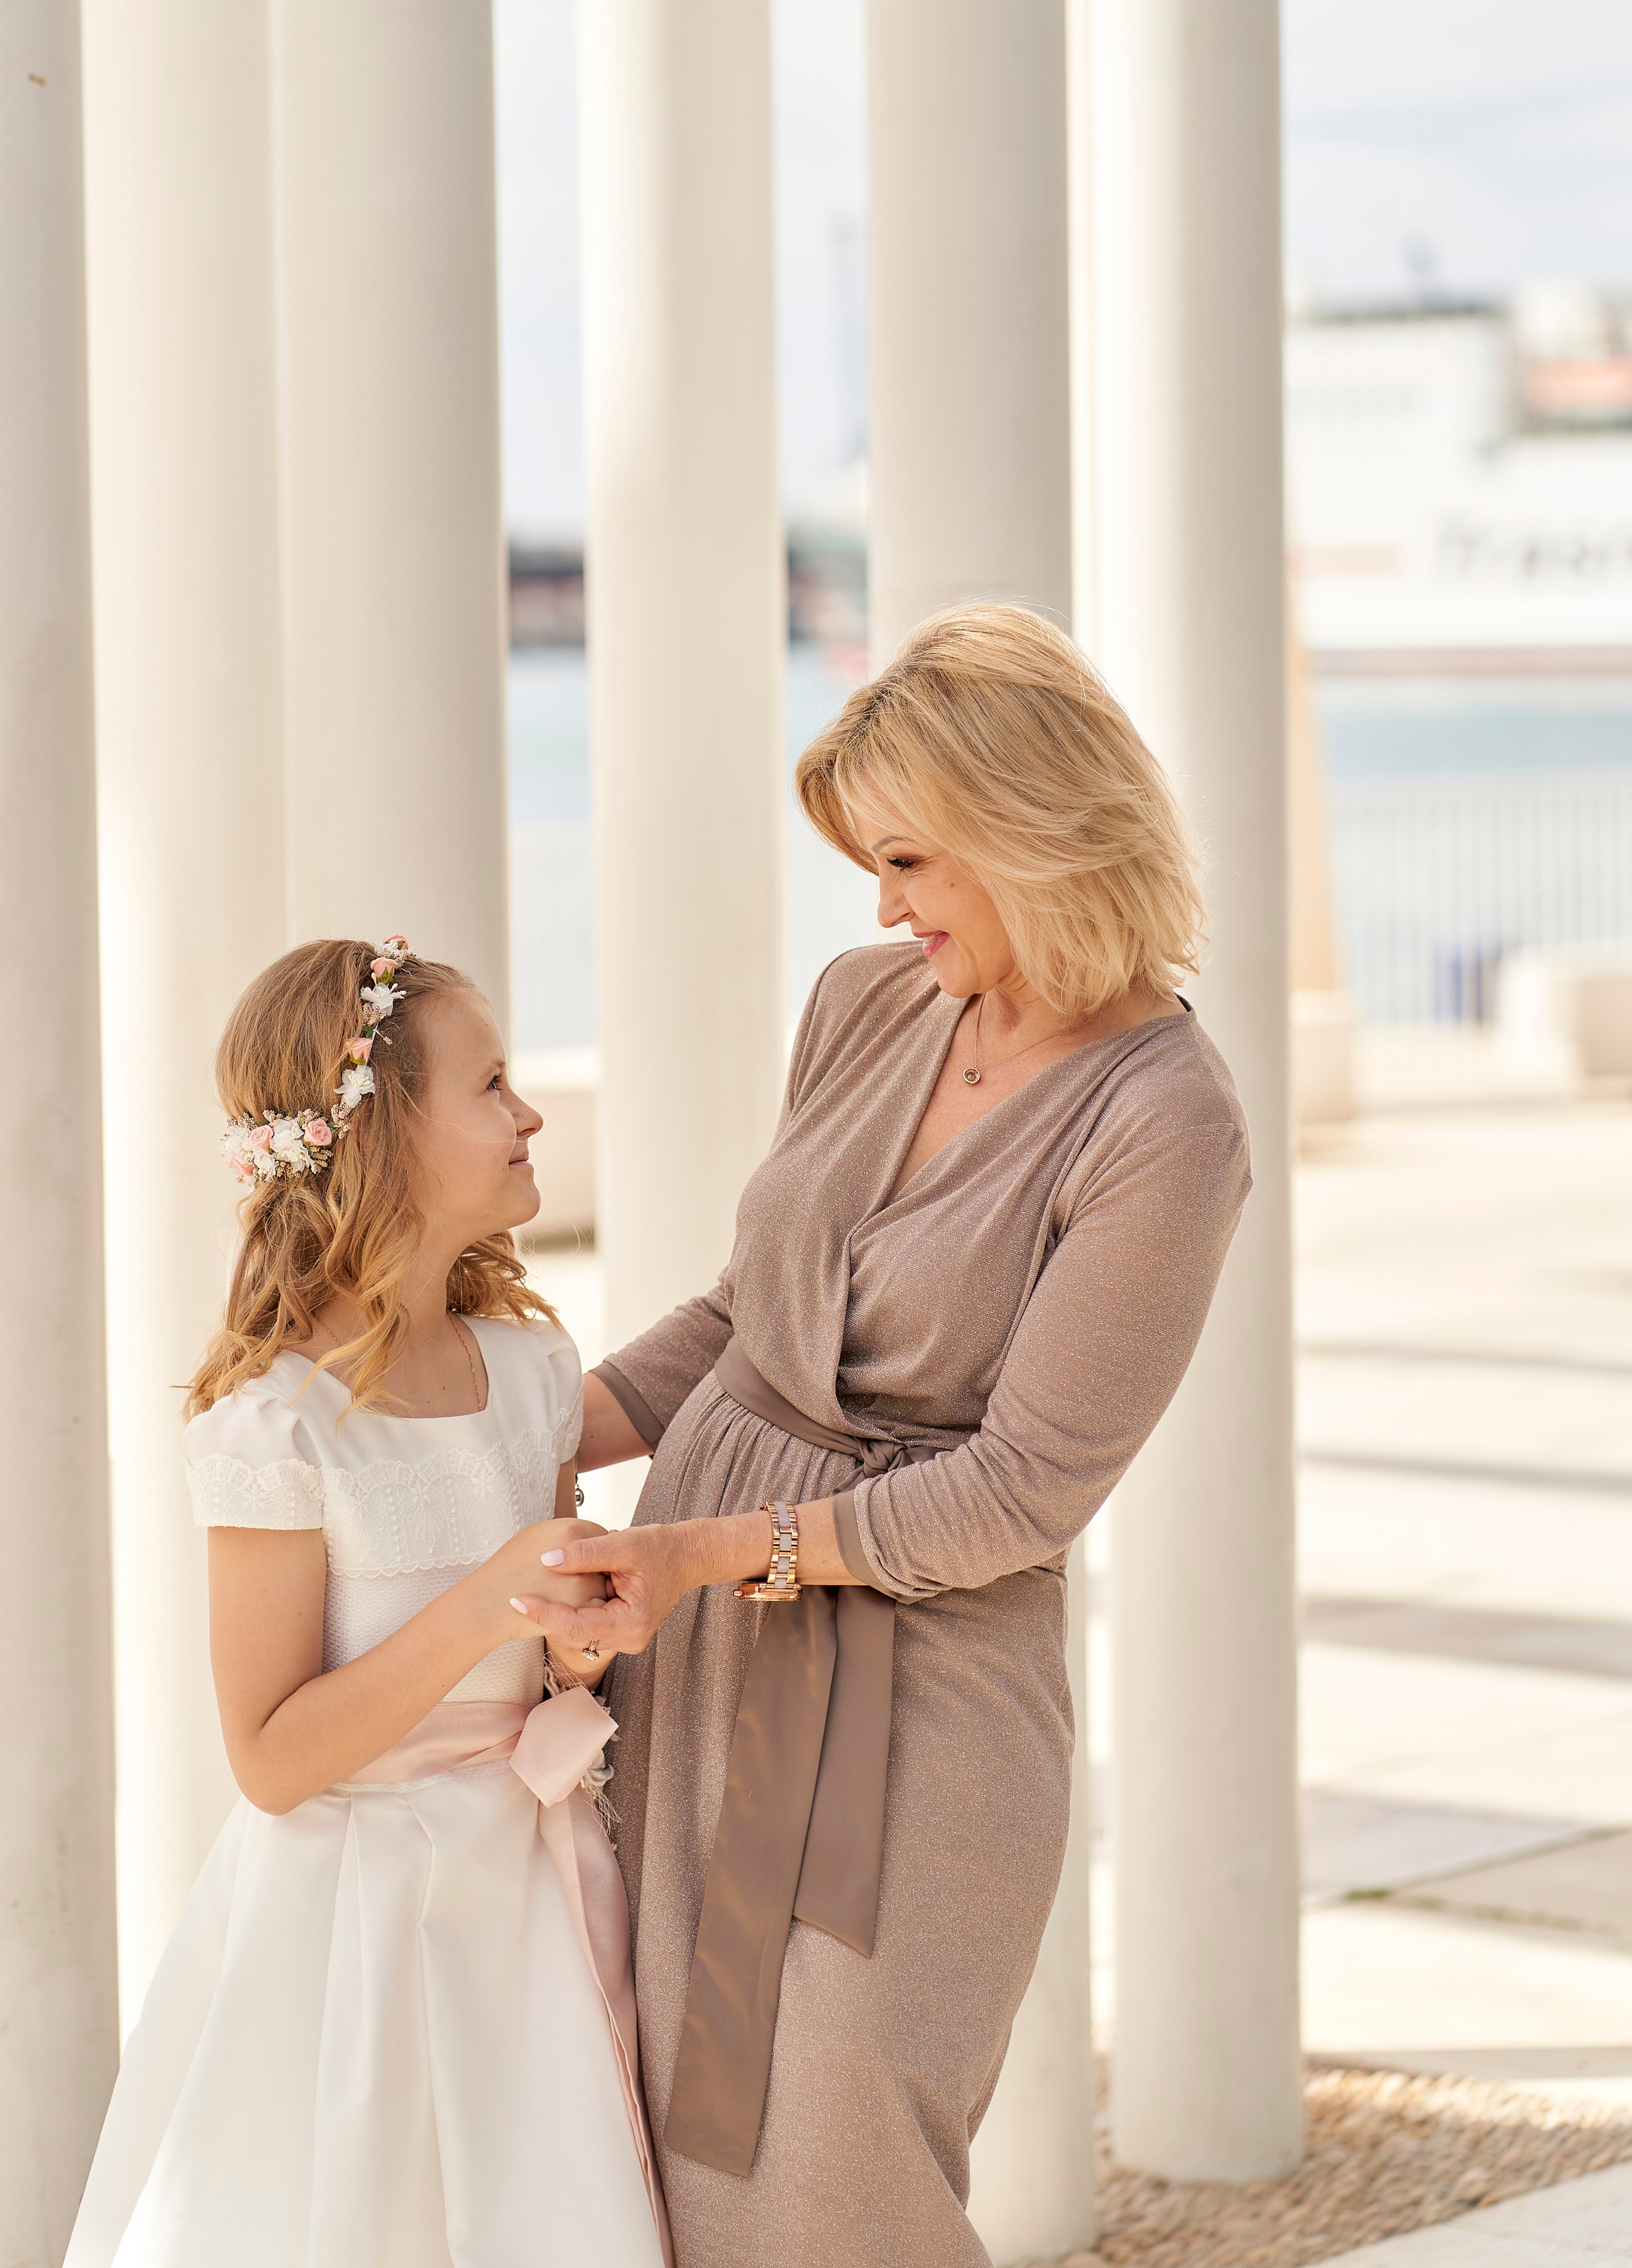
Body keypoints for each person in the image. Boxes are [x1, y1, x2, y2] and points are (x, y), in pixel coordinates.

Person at [519, 604, 1253, 2268]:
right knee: (654, 2126)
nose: (880, 906)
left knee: (838, 2157)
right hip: (690, 1656)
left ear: (1033, 836)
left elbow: (1019, 1493)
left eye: (911, 861)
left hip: (914, 1704)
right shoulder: (865, 1003)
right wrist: (526, 1439)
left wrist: (699, 1550)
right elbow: (743, 1315)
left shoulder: (1163, 1121)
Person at [66, 937, 670, 2268]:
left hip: (523, 1897)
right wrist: (490, 1603)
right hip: (342, 1927)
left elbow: (554, 1672)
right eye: (493, 1084)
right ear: (380, 1135)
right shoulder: (273, 1424)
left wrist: (577, 1652)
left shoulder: (531, 1369)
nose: (529, 1115)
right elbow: (271, 1761)